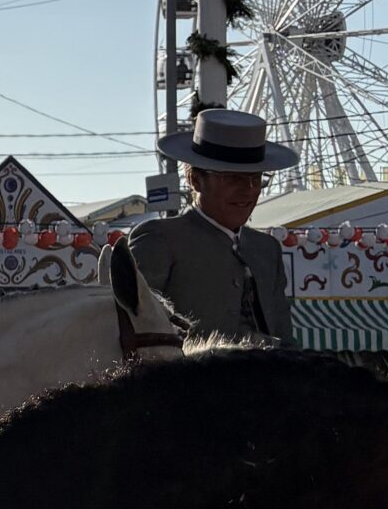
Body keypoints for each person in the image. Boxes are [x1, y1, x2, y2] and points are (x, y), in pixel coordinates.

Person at [117, 107, 296, 343]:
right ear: (195, 179)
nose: (249, 190)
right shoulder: (160, 239)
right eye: (233, 178)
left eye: (256, 178)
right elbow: (132, 325)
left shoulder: (266, 248)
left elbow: (284, 334)